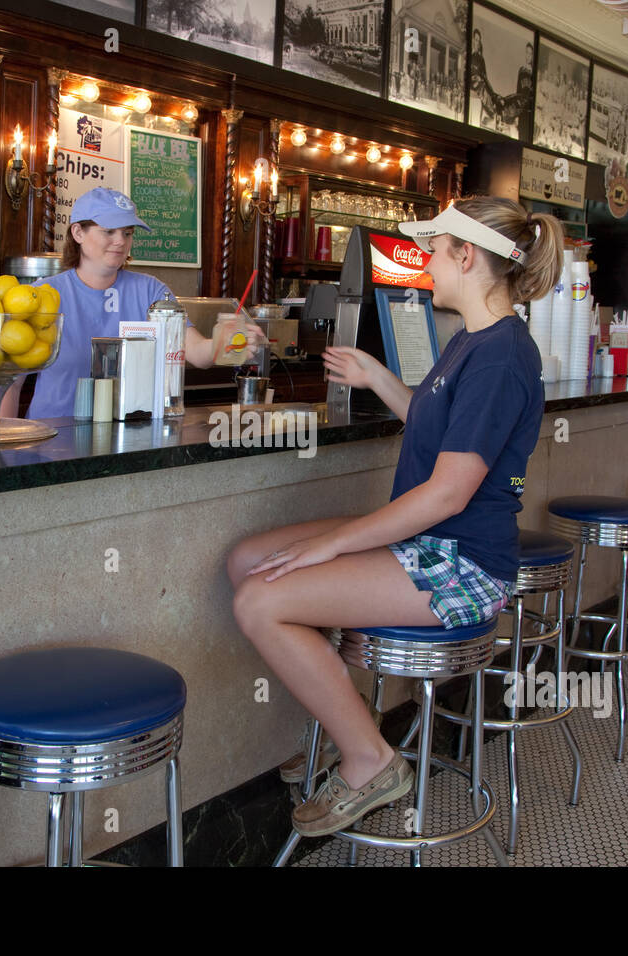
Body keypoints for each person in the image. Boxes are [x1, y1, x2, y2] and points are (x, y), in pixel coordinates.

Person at [227, 196, 564, 838]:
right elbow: (441, 430)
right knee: (249, 561)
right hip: (428, 543)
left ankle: (372, 759)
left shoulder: (499, 357)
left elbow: (447, 493)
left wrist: (332, 546)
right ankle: (344, 725)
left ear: (467, 255)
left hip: (461, 562)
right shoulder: (472, 340)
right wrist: (377, 377)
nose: (424, 264)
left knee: (258, 602)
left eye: (434, 250)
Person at [1, 186, 263, 420]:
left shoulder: (151, 290)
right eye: (109, 231)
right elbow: (10, 382)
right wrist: (4, 448)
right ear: (78, 232)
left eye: (127, 233)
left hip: (128, 437)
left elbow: (195, 352)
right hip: (54, 436)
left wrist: (220, 343)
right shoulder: (43, 294)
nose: (120, 241)